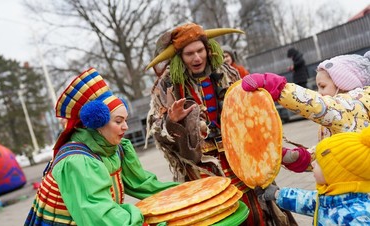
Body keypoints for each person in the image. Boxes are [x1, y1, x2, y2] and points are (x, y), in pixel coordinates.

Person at [145, 22, 297, 226]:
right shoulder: (166, 85)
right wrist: (171, 121)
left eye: (200, 51)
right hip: (202, 164)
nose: (197, 58)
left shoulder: (228, 73)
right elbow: (157, 130)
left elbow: (251, 109)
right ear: (179, 56)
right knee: (218, 211)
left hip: (239, 153)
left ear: (208, 49)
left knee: (257, 206)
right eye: (189, 54)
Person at [25, 68, 179, 226]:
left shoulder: (116, 149)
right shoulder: (77, 162)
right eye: (118, 121)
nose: (125, 126)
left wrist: (182, 193)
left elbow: (143, 185)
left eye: (125, 120)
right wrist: (142, 217)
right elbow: (100, 216)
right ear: (97, 123)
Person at [242, 51, 370, 172]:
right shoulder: (338, 118)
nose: (319, 92)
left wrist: (279, 88)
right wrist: (302, 158)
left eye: (323, 86)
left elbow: (319, 105)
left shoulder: (353, 107)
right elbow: (330, 151)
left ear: (344, 84)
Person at [256, 127, 370, 225]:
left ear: (336, 174)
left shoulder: (356, 217)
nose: (312, 163)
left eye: (319, 163)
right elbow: (306, 200)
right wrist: (277, 194)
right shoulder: (332, 197)